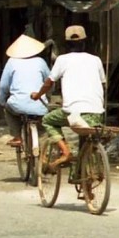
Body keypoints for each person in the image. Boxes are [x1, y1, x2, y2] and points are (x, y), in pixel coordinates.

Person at [30, 25, 106, 171]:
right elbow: (103, 84)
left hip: (72, 112)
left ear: (66, 43)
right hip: (96, 113)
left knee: (48, 120)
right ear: (84, 42)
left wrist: (38, 95)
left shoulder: (62, 60)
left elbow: (49, 82)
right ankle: (81, 180)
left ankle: (66, 151)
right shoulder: (95, 60)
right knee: (86, 139)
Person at [0, 34, 51, 146]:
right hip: (39, 104)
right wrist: (48, 97)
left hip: (17, 104)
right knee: (43, 129)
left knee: (8, 110)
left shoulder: (12, 62)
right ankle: (43, 152)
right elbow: (50, 82)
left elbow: (3, 86)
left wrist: (2, 101)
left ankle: (17, 137)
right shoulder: (41, 61)